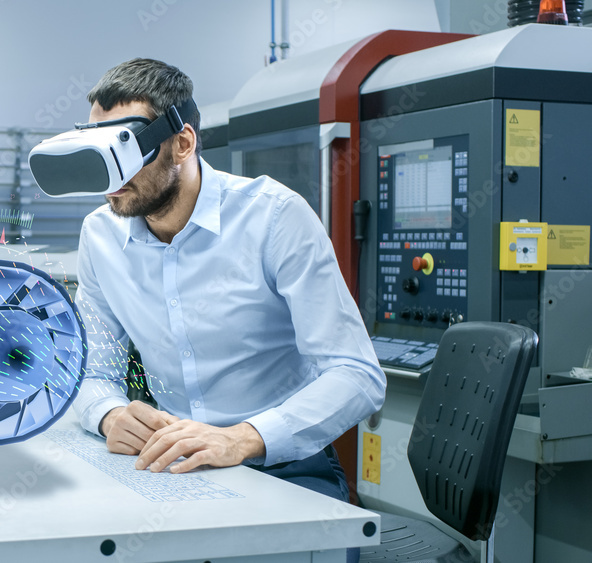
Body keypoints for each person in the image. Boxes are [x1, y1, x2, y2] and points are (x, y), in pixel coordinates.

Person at [70, 58, 385, 554]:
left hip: (286, 466)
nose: (110, 176)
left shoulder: (274, 217)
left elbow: (357, 374)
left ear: (183, 143)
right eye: (98, 152)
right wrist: (109, 414)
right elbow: (91, 373)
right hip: (171, 459)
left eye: (124, 152)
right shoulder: (100, 235)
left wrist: (242, 438)